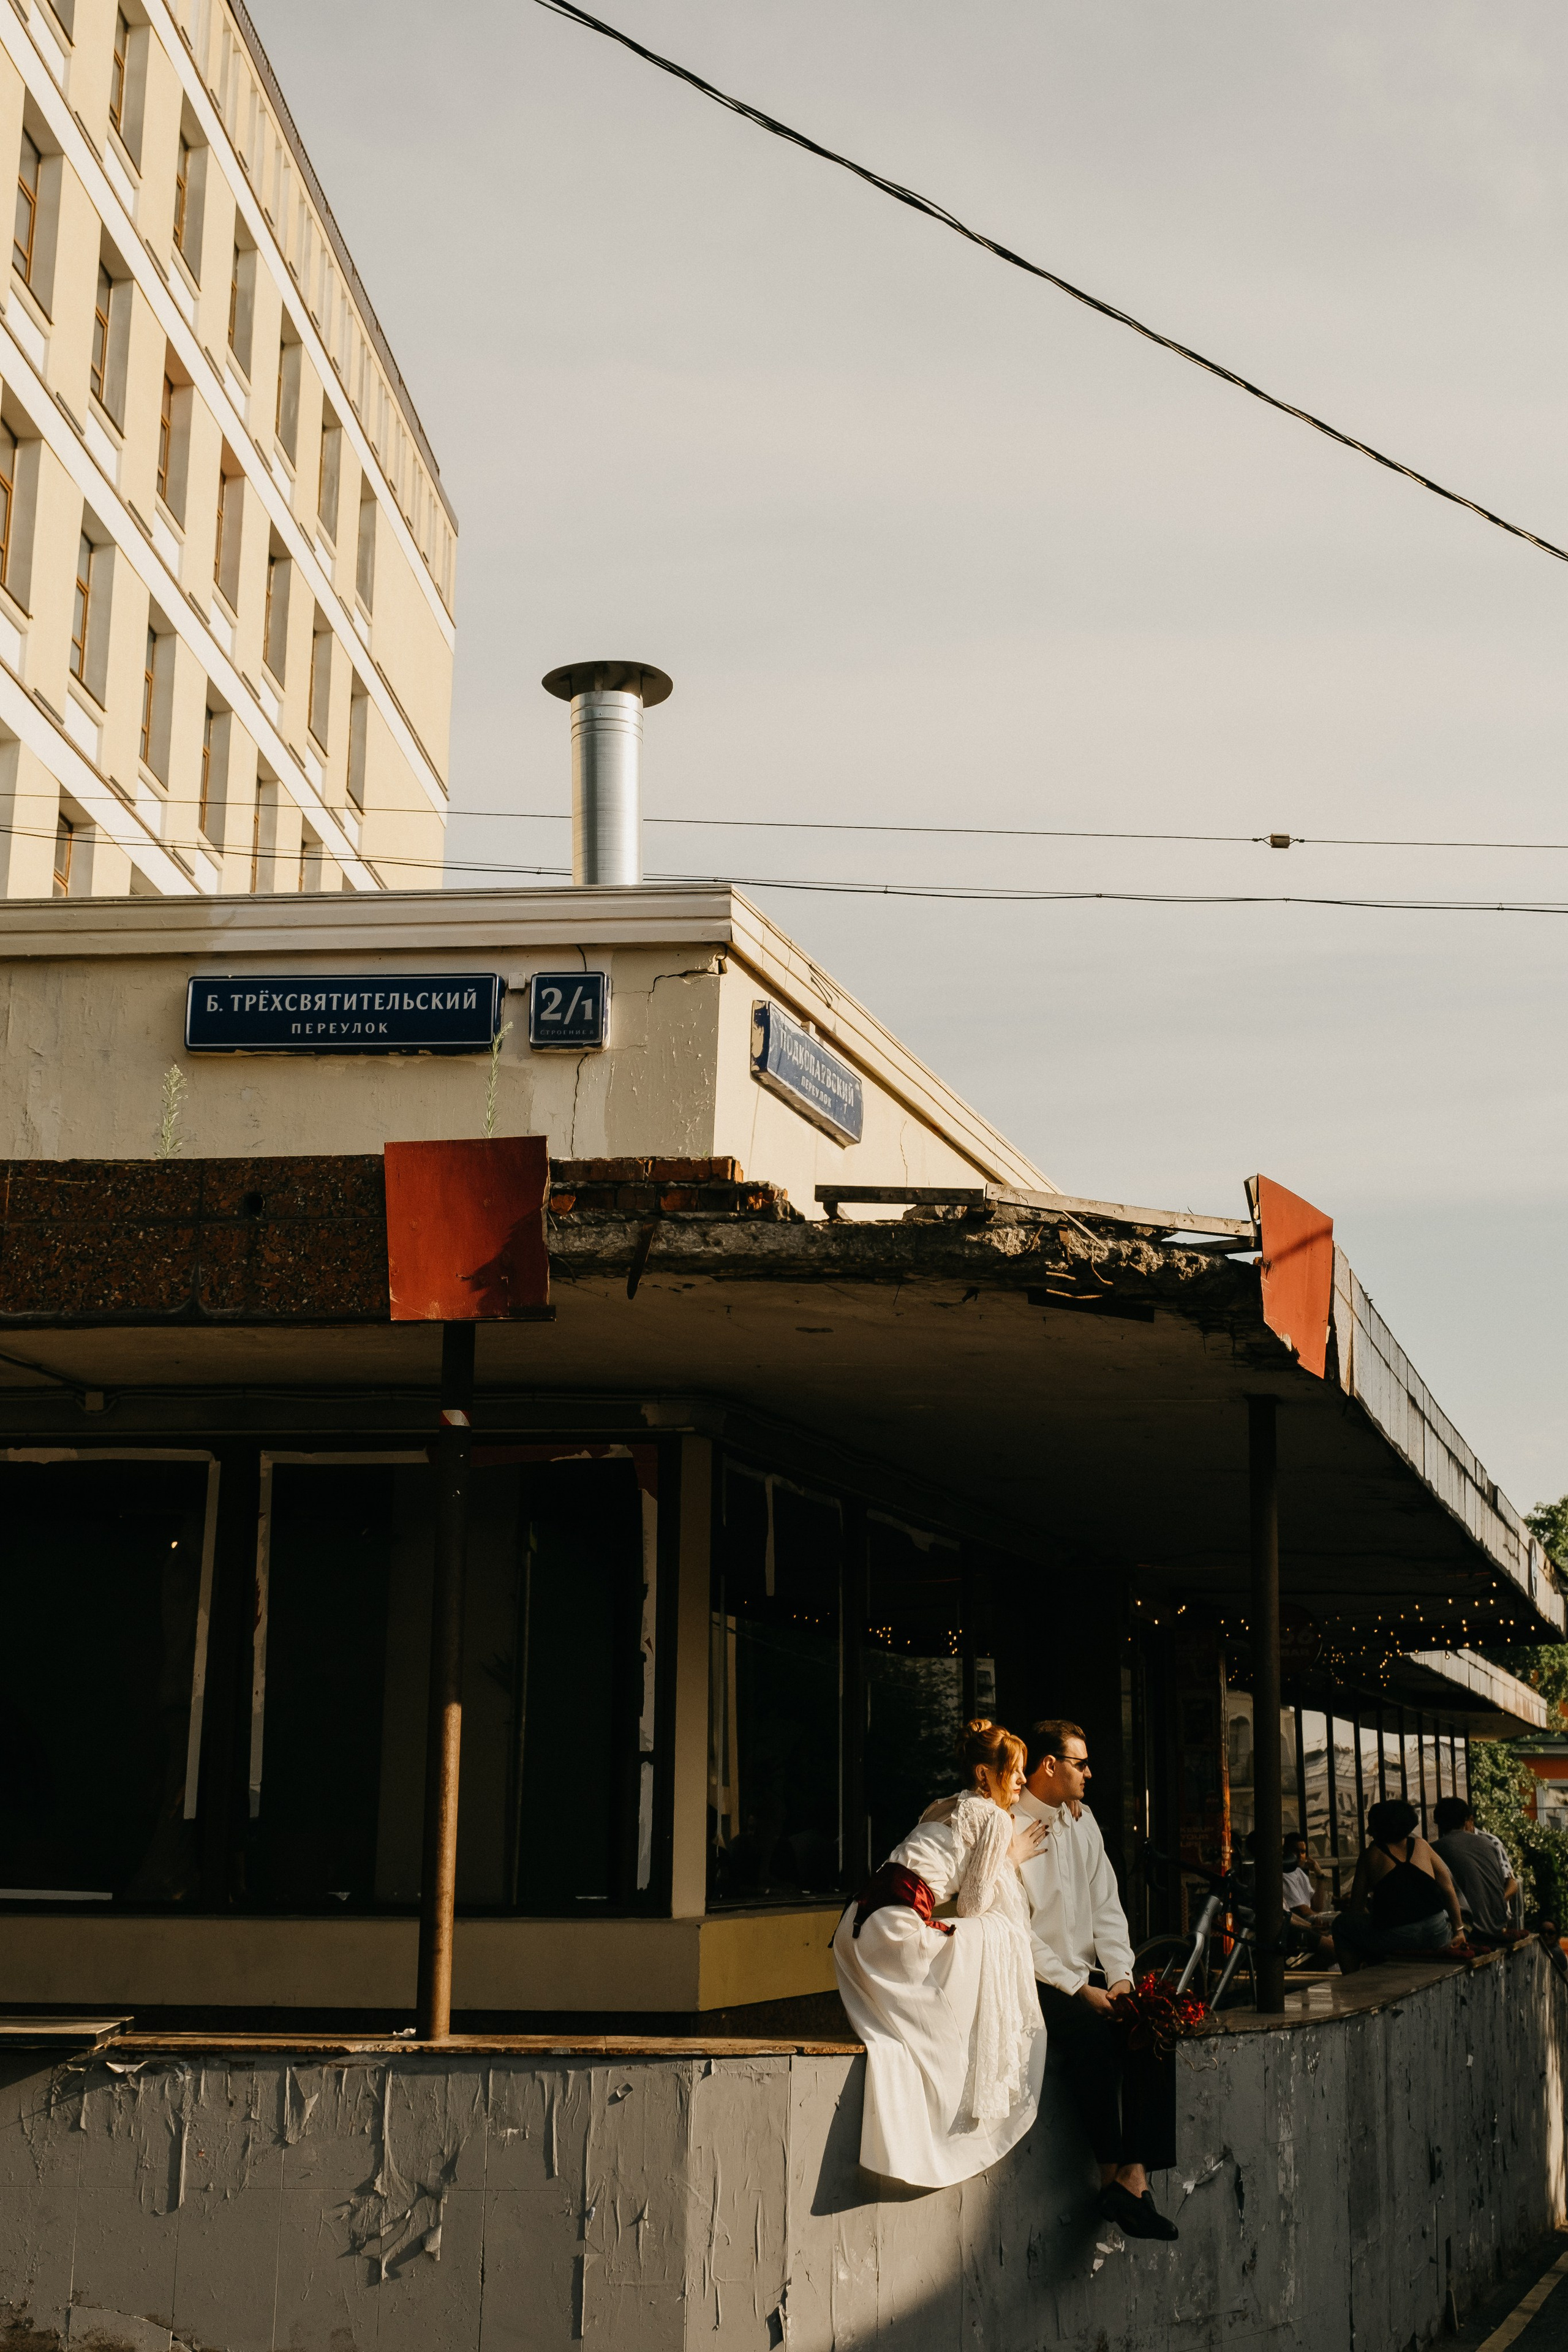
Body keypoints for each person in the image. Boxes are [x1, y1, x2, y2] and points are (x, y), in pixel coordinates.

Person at [832, 1718, 1049, 2188]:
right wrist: (1007, 1859)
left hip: (858, 1923)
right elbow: (971, 1904)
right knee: (996, 1938)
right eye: (1015, 1771)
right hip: (895, 1928)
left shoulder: (940, 1805)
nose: (1021, 1782)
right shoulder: (993, 1818)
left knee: (918, 2026)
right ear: (984, 1775)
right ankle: (943, 2122)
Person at [1015, 1719, 1180, 2244]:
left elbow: (1108, 1909)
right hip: (1032, 1977)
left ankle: (1133, 2177)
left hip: (1088, 1976)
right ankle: (1116, 2180)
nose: (1090, 1773)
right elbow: (1017, 1933)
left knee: (1153, 2028)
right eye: (1080, 1763)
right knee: (1092, 2037)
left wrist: (1124, 1980)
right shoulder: (1010, 1825)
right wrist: (1078, 1988)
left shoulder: (1085, 1823)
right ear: (1049, 1766)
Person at [1333, 1798, 1464, 1972]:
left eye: (1371, 1825)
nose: (1368, 1831)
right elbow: (1448, 1888)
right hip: (1437, 1932)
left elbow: (1357, 1908)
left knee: (1342, 1924)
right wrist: (1459, 1930)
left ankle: (1352, 1979)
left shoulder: (1370, 1855)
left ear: (1381, 1827)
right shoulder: (1422, 1846)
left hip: (1398, 1936)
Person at [1430, 1797, 1518, 1937]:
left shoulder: (1435, 1849)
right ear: (1466, 1821)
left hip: (1472, 1931)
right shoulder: (1489, 1844)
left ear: (1439, 1824)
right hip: (1498, 1925)